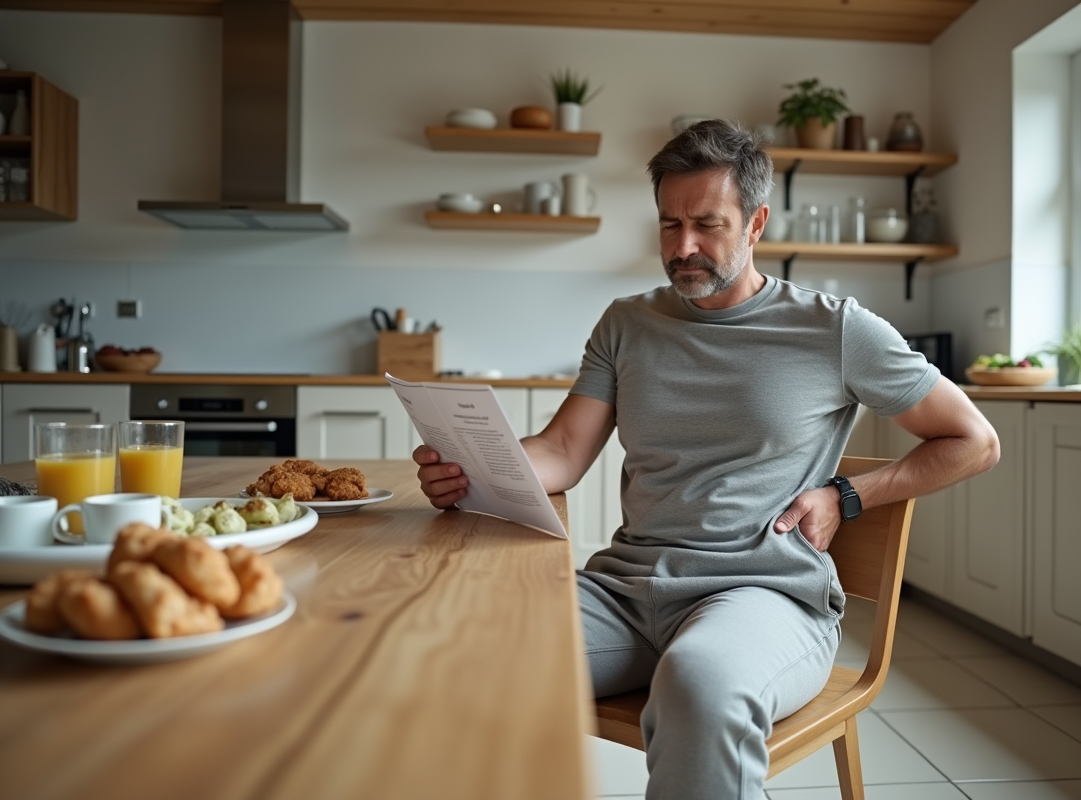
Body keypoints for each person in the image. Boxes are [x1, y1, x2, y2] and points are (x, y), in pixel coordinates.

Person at [414, 119, 1000, 800]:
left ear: (756, 223)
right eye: (669, 225)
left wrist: (849, 495)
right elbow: (562, 452)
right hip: (627, 593)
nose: (683, 246)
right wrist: (472, 468)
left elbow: (974, 441)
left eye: (706, 224)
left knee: (701, 683)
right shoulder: (626, 324)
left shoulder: (834, 329)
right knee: (463, 647)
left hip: (766, 596)